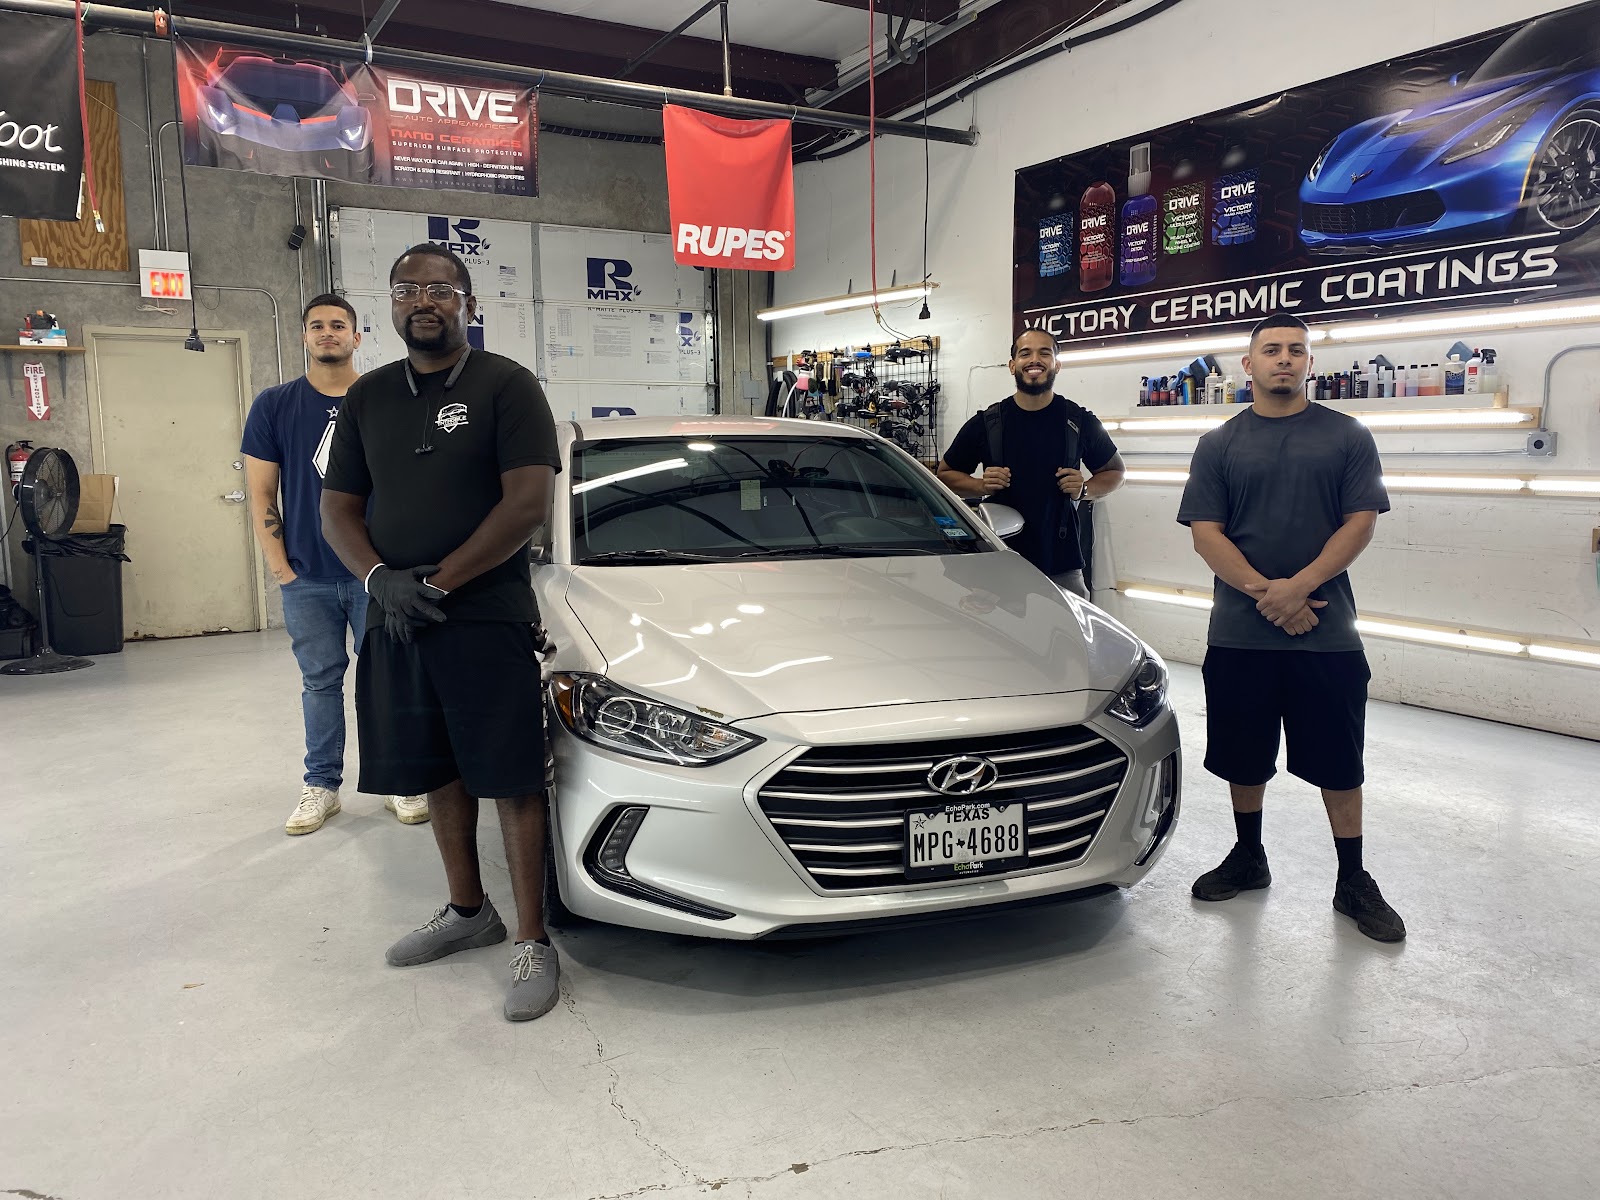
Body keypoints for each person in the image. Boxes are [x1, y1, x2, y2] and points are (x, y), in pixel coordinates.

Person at [320, 244, 563, 1022]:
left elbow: (526, 503)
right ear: (389, 306)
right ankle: (469, 913)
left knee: (511, 773)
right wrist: (378, 580)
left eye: (440, 289)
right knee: (436, 767)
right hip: (397, 612)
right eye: (407, 289)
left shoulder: (507, 386)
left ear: (467, 303)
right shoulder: (366, 399)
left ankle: (532, 937)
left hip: (483, 610)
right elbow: (338, 509)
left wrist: (441, 580)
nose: (423, 300)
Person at [1177, 312, 1405, 943]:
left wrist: (1298, 589)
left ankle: (1352, 877)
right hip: (1240, 633)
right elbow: (1205, 534)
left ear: (1310, 363)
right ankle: (1249, 856)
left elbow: (1360, 522)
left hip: (1326, 632)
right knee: (1242, 756)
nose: (1285, 358)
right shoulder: (1219, 443)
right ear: (1247, 366)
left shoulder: (1347, 436)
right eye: (1271, 350)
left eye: (1296, 350)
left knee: (1340, 758)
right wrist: (1268, 594)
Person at [242, 294, 429, 836]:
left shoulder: (387, 398)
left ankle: (399, 779)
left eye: (339, 326)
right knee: (320, 683)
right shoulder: (274, 406)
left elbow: (417, 487)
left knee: (387, 680)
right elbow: (261, 495)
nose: (328, 333)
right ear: (304, 336)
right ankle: (322, 785)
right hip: (308, 576)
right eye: (317, 326)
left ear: (357, 338)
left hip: (377, 574)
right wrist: (283, 570)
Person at [937, 328, 1125, 598]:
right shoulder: (987, 423)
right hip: (998, 562)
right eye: (1025, 353)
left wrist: (1085, 489)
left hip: (1062, 564)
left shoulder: (1079, 421)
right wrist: (979, 485)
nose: (1034, 360)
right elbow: (944, 476)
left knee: (1071, 637)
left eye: (1044, 353)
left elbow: (1115, 472)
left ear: (1057, 365)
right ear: (1013, 365)